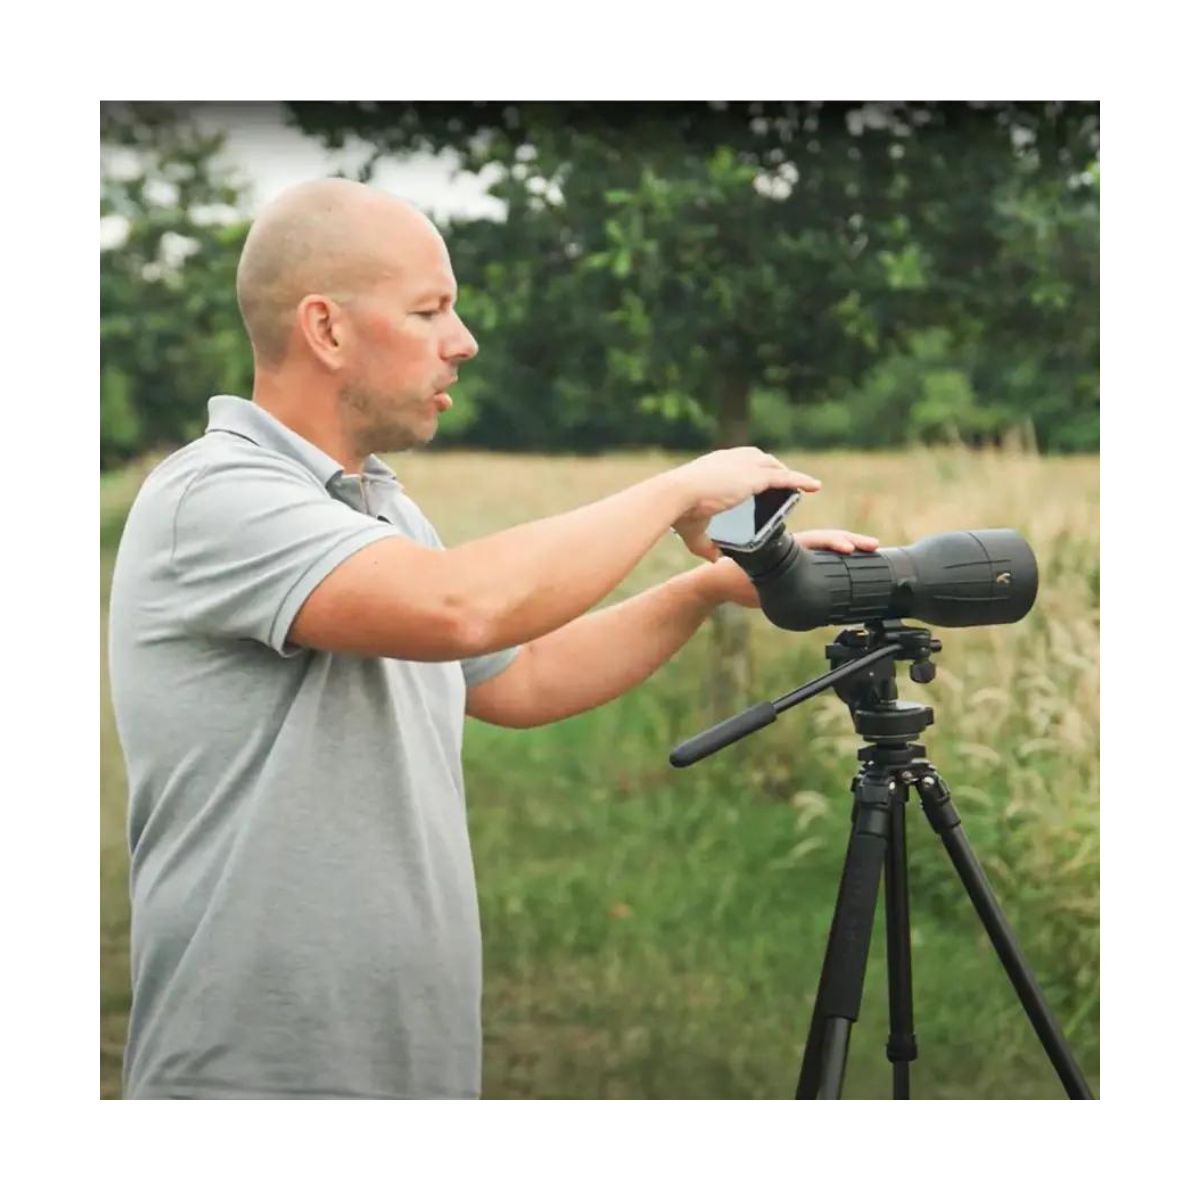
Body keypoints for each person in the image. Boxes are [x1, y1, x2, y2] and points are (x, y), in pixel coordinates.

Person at [108, 177, 879, 1100]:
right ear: (326, 329)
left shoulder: (379, 510)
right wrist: (677, 489)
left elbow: (520, 676)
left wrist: (710, 586)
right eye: (431, 309)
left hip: (409, 1058)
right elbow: (459, 612)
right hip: (256, 1069)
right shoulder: (217, 497)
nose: (463, 341)